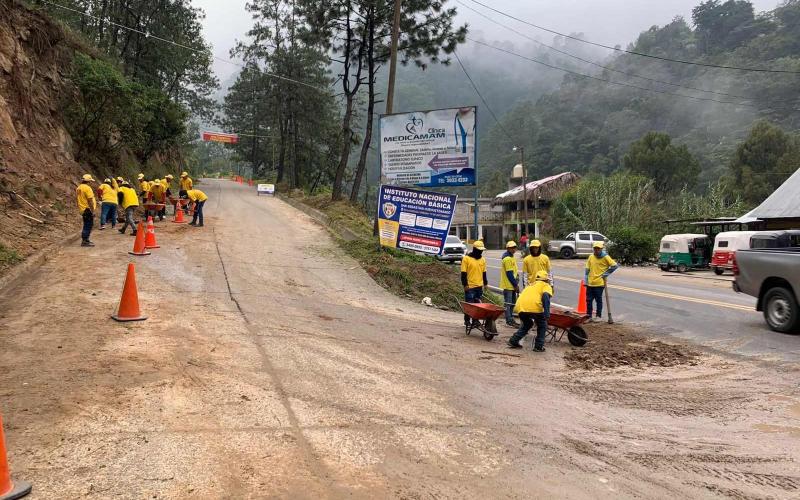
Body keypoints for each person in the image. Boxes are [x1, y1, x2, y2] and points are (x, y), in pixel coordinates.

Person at [508, 271, 553, 352]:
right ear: (546, 280)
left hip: (520, 307)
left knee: (528, 323)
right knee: (542, 325)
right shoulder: (546, 285)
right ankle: (539, 346)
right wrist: (547, 313)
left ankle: (513, 340)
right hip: (534, 307)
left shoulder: (530, 285)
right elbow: (546, 297)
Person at [584, 241, 618, 322]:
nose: (596, 250)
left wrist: (606, 274)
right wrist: (586, 280)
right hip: (590, 283)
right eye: (595, 249)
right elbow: (587, 269)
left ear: (601, 249)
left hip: (599, 283)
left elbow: (614, 266)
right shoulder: (591, 257)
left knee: (598, 300)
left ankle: (598, 316)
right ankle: (589, 316)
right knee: (588, 300)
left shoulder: (606, 257)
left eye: (598, 249)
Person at [460, 240, 488, 327]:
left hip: (479, 286)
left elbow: (484, 273)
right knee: (469, 305)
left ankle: (475, 320)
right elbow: (463, 274)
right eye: (479, 250)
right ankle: (467, 320)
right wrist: (465, 285)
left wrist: (485, 284)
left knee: (477, 305)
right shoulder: (466, 259)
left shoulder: (483, 260)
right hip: (470, 287)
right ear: (474, 249)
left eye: (481, 250)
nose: (480, 252)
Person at [500, 241, 521, 327]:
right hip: (509, 285)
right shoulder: (507, 258)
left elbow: (514, 271)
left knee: (512, 303)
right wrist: (515, 285)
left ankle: (511, 318)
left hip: (511, 285)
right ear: (508, 248)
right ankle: (509, 320)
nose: (513, 249)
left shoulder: (511, 257)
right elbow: (509, 274)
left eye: (514, 247)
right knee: (508, 304)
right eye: (511, 248)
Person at [76, 174, 97, 247]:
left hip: (82, 208)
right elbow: (90, 200)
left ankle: (86, 239)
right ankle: (85, 241)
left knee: (86, 224)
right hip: (87, 209)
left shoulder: (79, 188)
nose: (90, 183)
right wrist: (92, 210)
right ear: (88, 181)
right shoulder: (87, 188)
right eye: (90, 181)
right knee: (88, 225)